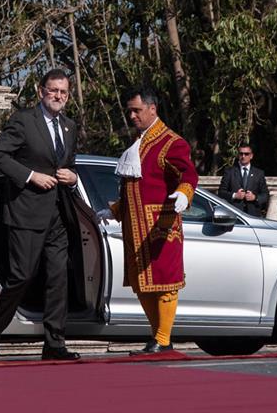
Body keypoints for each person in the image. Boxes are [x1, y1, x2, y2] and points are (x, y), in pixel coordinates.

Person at [0, 69, 81, 361]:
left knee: (58, 277)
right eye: (53, 91)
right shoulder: (24, 121)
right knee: (21, 277)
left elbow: (69, 164)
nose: (58, 96)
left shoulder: (69, 126)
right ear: (41, 91)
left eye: (63, 92)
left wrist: (73, 177)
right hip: (26, 214)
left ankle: (54, 344)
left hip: (59, 214)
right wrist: (30, 176)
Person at [103, 87, 198, 354]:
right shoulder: (140, 140)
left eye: (137, 110)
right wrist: (115, 210)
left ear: (152, 109)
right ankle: (158, 338)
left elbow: (188, 175)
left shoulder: (171, 142)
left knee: (165, 282)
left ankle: (163, 339)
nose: (132, 115)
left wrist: (183, 193)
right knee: (143, 284)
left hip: (161, 225)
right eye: (130, 111)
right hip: (135, 226)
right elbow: (136, 189)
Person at [217, 145, 269, 216]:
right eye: (241, 154)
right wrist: (235, 195)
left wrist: (254, 197)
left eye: (246, 154)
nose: (243, 156)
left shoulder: (259, 173)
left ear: (251, 156)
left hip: (253, 215)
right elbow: (221, 192)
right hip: (234, 214)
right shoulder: (229, 172)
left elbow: (265, 195)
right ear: (238, 155)